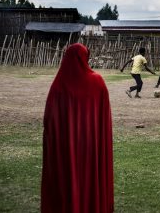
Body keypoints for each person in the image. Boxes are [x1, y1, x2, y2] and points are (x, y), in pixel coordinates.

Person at [41, 43, 114, 213]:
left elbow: (50, 121)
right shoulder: (97, 82)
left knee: (68, 180)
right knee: (89, 179)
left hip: (67, 147)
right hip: (92, 147)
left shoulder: (58, 85)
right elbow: (103, 120)